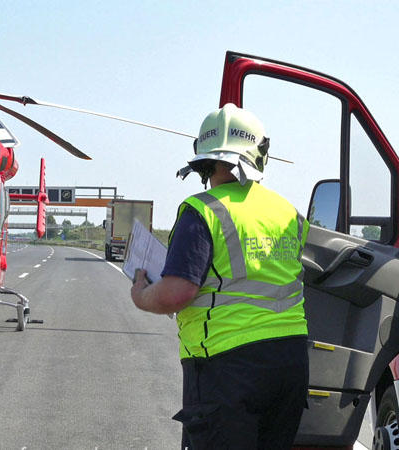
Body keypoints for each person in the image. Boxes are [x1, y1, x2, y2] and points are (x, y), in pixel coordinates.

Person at [130, 104, 309, 449]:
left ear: (204, 159)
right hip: (290, 363)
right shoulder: (289, 213)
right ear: (260, 155)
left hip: (227, 367)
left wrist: (141, 294)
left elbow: (177, 293)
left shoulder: (203, 210)